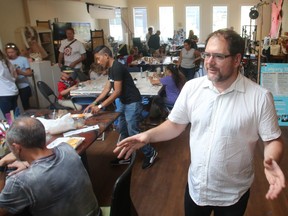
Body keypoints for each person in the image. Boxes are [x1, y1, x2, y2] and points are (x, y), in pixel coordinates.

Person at [114, 29, 286, 216]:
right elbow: (175, 124)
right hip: (197, 187)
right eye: (207, 55)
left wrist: (271, 160)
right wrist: (147, 136)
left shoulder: (259, 97)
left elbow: (273, 140)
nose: (209, 62)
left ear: (237, 60)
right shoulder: (192, 88)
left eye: (218, 56)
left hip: (234, 193)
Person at [0, 117, 100, 216]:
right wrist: (27, 164)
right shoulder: (67, 149)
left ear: (17, 147)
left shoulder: (20, 181)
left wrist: (2, 165)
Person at [84, 45, 157, 169]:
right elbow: (107, 88)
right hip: (124, 102)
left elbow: (117, 92)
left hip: (132, 102)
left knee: (133, 130)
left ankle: (150, 153)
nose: (98, 62)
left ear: (106, 56)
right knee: (122, 129)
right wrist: (95, 103)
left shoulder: (117, 67)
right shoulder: (111, 68)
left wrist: (101, 106)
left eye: (98, 58)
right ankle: (126, 156)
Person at [5, 43, 32, 110]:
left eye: (12, 52)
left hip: (23, 85)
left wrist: (21, 72)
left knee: (25, 104)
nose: (10, 54)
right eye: (8, 52)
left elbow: (30, 73)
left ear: (16, 51)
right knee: (14, 106)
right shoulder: (5, 61)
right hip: (12, 87)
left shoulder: (23, 59)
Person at [0, 49, 18, 117]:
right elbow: (15, 76)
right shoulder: (7, 62)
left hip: (4, 93)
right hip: (13, 90)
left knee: (9, 118)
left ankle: (13, 127)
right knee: (15, 114)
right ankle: (18, 127)